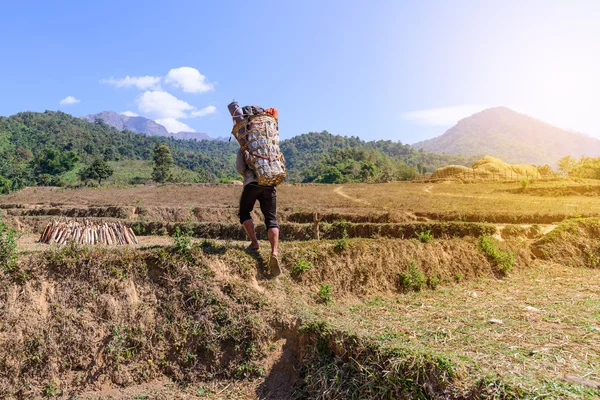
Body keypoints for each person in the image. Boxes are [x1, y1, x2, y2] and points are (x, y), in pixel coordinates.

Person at [236, 148, 281, 276]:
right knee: (271, 219)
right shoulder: (270, 145)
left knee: (244, 212)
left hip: (252, 183)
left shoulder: (246, 146)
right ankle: (274, 252)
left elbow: (241, 169)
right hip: (269, 184)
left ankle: (255, 243)